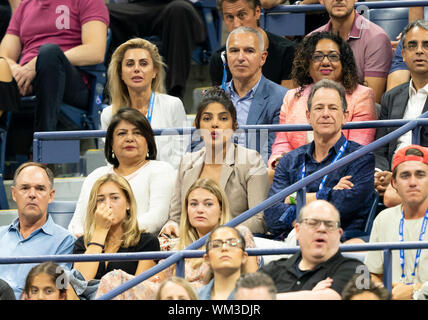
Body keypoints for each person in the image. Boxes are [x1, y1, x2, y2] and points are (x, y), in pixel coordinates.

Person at [95, 178, 259, 300]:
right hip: (172, 296)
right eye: (193, 204)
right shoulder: (180, 246)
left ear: (221, 208)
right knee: (114, 278)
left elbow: (251, 280)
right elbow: (155, 279)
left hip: (211, 296)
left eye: (208, 204)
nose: (199, 210)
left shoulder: (238, 233)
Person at [265, 79, 376, 241]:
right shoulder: (289, 160)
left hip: (338, 243)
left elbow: (344, 208)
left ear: (345, 116)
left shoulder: (361, 158)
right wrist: (327, 194)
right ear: (308, 116)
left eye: (332, 108)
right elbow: (272, 214)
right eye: (319, 108)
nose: (325, 113)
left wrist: (293, 198)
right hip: (287, 241)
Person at [161, 87, 270, 238]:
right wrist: (171, 226)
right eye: (207, 118)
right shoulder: (187, 162)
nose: (215, 124)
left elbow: (259, 220)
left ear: (234, 125)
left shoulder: (251, 161)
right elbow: (176, 217)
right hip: (191, 245)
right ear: (197, 126)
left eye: (223, 118)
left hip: (233, 243)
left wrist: (216, 234)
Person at [268, 32, 377, 174]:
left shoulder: (362, 95)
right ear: (307, 63)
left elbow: (358, 147)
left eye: (333, 56)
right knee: (271, 173)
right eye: (317, 56)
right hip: (296, 168)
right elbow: (282, 142)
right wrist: (279, 159)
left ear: (343, 63)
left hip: (341, 169)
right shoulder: (292, 96)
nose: (325, 62)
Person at [0, 0, 109, 132]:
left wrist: (35, 64)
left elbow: (95, 50)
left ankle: (45, 140)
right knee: (2, 67)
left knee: (49, 54)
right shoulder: (25, 5)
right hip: (25, 78)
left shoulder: (88, 1)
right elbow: (4, 54)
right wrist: (15, 69)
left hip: (70, 81)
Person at [68, 108, 175, 236]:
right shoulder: (96, 175)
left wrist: (110, 235)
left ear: (148, 141)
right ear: (111, 143)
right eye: (121, 134)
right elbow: (77, 224)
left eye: (137, 133)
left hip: (141, 247)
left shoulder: (161, 170)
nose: (129, 138)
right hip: (97, 247)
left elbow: (155, 219)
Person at [101, 38, 188, 169]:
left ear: (154, 71)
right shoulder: (109, 114)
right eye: (130, 64)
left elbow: (181, 156)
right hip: (126, 182)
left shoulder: (173, 105)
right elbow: (111, 160)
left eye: (143, 63)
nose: (136, 69)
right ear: (121, 73)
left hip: (166, 181)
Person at [0, 162, 75, 299]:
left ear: (51, 195)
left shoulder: (65, 241)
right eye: (25, 188)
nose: (32, 194)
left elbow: (57, 291)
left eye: (40, 188)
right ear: (14, 194)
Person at [260, 200, 363, 299]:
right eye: (313, 223)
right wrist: (311, 295)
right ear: (298, 231)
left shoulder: (358, 269)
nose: (322, 229)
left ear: (339, 234)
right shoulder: (272, 270)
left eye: (329, 224)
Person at [374, 20, 428, 207]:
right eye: (412, 45)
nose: (419, 51)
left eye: (426, 45)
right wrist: (380, 173)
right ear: (403, 55)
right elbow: (380, 147)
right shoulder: (391, 97)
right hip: (392, 178)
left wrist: (401, 174)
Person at [106, 0, 206, 100]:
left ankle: (174, 95)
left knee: (179, 9)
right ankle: (111, 93)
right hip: (142, 7)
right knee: (105, 12)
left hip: (177, 7)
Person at [365, 145, 428, 300]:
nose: (413, 182)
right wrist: (383, 292)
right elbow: (371, 273)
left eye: (420, 175)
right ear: (394, 183)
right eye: (405, 176)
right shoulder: (383, 219)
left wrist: (415, 290)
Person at [72, 173, 160, 283]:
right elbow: (79, 283)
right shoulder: (83, 243)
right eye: (101, 200)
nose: (108, 205)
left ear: (128, 203)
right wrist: (100, 231)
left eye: (114, 198)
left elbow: (138, 291)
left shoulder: (146, 242)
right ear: (94, 207)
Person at [308, 0, 392, 104]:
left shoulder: (376, 38)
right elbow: (303, 90)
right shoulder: (310, 39)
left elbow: (370, 101)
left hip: (358, 114)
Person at [224, 26, 287, 162]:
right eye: (234, 50)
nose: (240, 57)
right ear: (226, 56)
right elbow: (197, 146)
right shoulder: (213, 97)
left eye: (249, 51)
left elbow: (275, 152)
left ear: (262, 58)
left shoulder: (281, 98)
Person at [210, 0, 296, 89]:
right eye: (230, 17)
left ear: (257, 12)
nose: (236, 24)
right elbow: (219, 101)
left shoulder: (288, 51)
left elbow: (288, 100)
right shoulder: (219, 58)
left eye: (242, 15)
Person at [197, 225, 249, 300]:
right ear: (207, 259)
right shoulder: (194, 297)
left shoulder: (260, 295)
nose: (224, 248)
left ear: (244, 257)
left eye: (232, 244)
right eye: (216, 245)